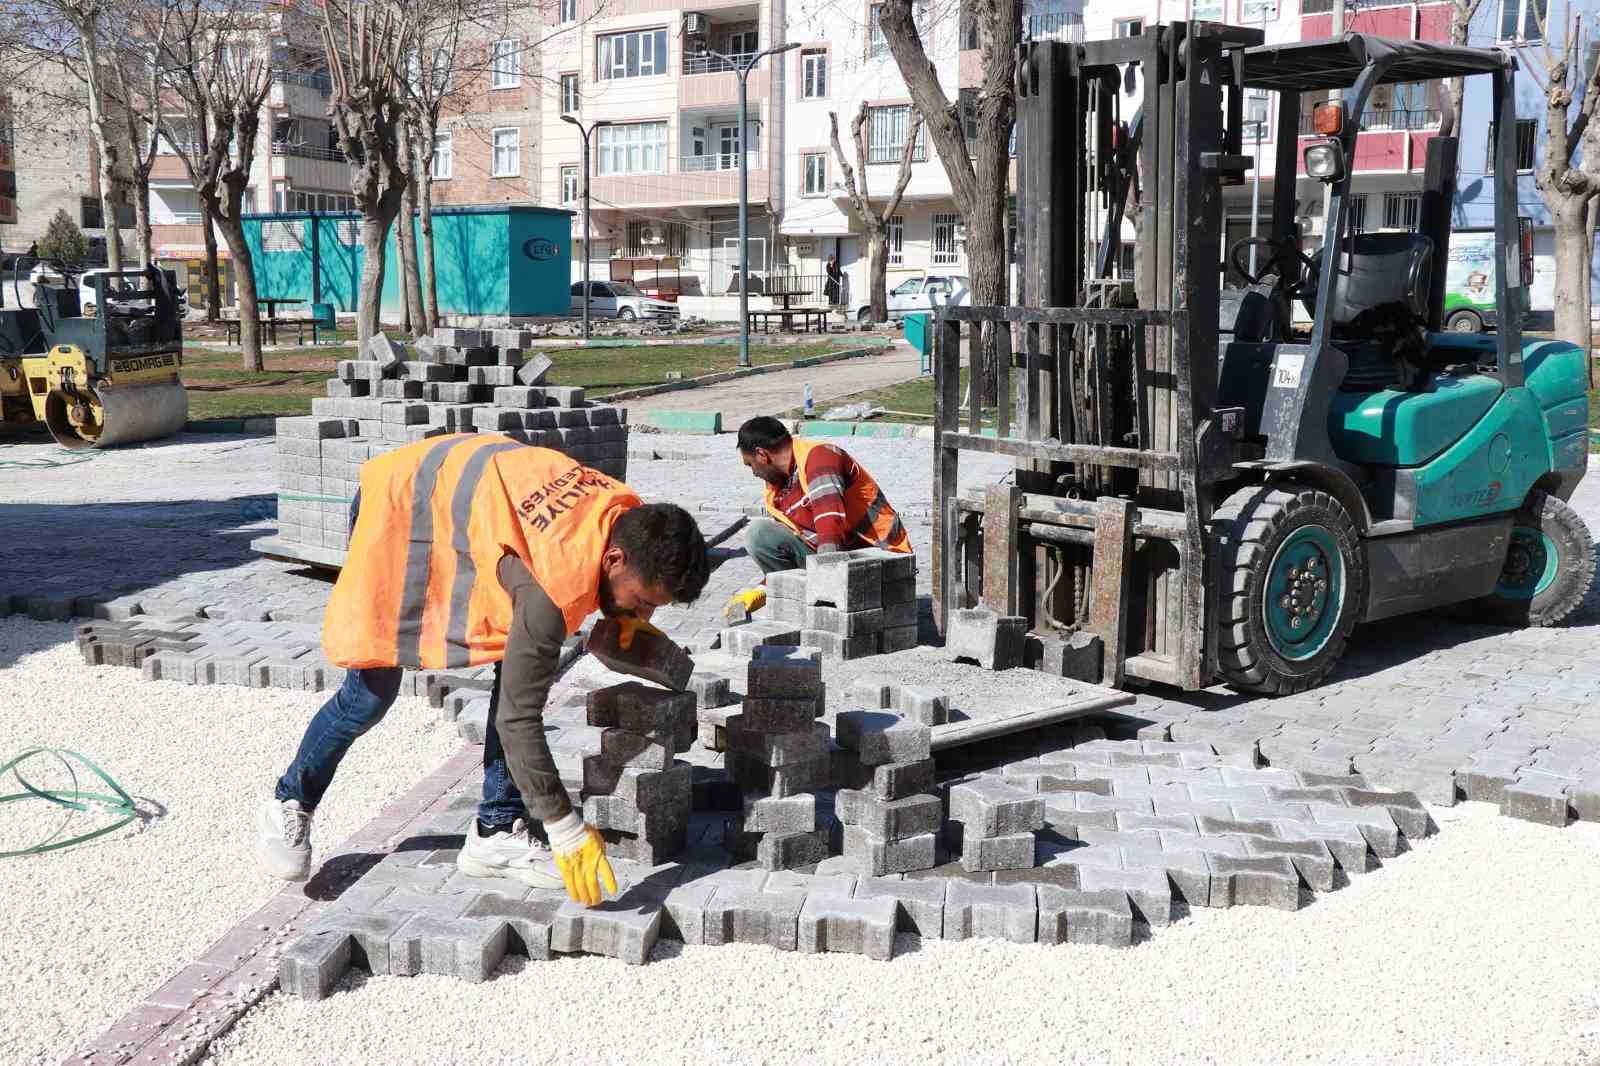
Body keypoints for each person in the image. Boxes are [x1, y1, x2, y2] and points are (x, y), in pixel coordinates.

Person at [256, 434, 710, 906]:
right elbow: (519, 718)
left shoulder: (623, 520)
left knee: (514, 670)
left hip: (469, 502)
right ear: (614, 558)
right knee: (369, 695)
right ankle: (290, 800)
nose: (645, 615)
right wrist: (563, 825)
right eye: (642, 602)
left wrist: (624, 624)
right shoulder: (546, 591)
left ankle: (494, 830)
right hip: (402, 507)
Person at [725, 416, 911, 618]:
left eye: (749, 464)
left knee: (760, 533)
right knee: (761, 535)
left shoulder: (820, 458)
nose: (753, 473)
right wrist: (762, 590)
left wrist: (828, 606)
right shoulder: (777, 492)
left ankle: (829, 605)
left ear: (762, 455)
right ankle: (802, 604)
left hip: (880, 559)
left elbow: (830, 526)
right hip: (837, 560)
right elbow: (799, 545)